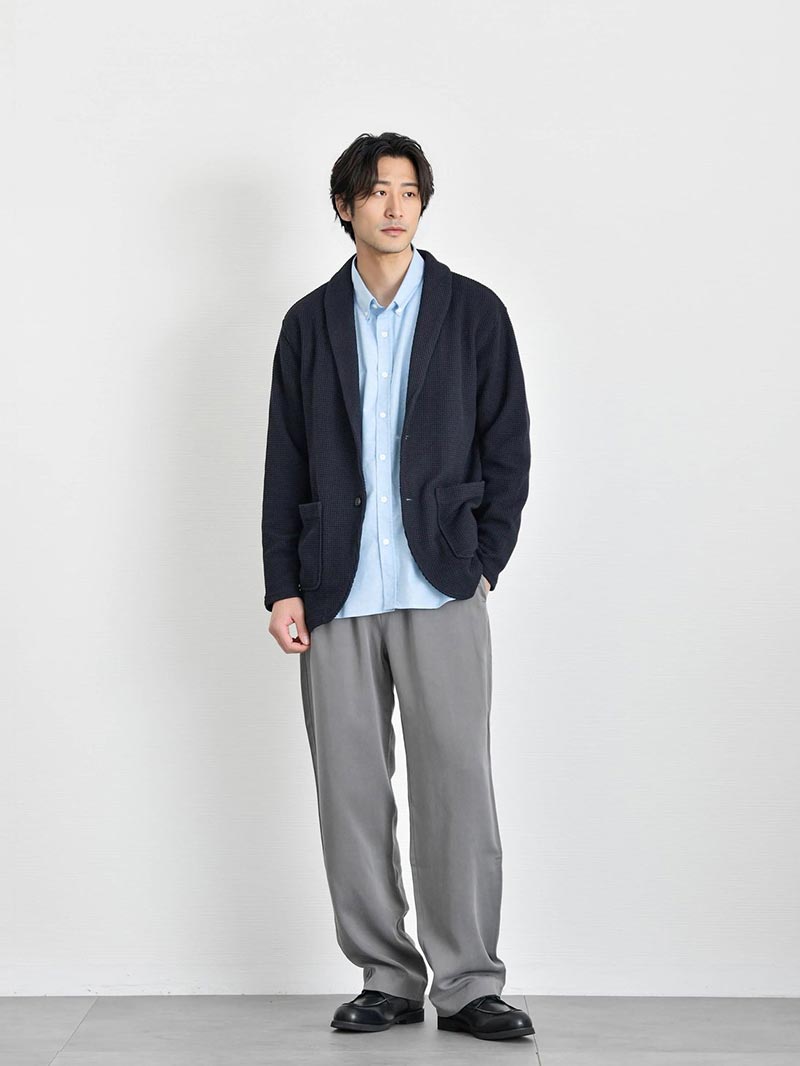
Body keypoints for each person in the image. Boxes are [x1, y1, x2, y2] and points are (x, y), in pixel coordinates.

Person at [261, 132, 533, 1041]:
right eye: (376, 191)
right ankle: (385, 973)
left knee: (457, 785)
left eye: (409, 191)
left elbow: (508, 448)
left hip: (441, 581)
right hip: (334, 586)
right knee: (350, 791)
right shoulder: (308, 324)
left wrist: (484, 559)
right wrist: (282, 585)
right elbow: (285, 462)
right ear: (345, 206)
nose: (394, 206)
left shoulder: (473, 312)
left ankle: (469, 982)